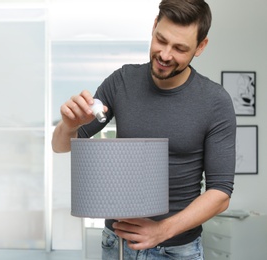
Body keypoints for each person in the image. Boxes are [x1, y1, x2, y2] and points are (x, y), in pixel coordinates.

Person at [52, 0, 236, 259]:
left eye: (180, 48)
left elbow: (220, 193)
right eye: (161, 40)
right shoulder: (122, 81)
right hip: (116, 243)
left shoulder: (215, 102)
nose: (165, 55)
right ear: (153, 27)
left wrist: (161, 231)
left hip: (177, 249)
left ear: (201, 46)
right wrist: (69, 125)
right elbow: (60, 146)